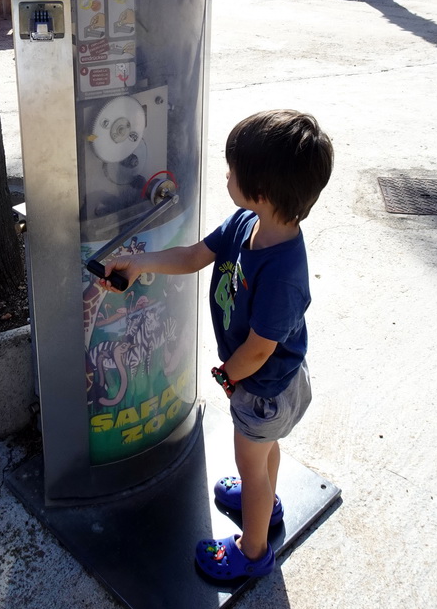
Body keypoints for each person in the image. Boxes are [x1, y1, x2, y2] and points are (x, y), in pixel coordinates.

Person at [102, 109, 334, 582]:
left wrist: (229, 375)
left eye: (233, 171)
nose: (226, 175)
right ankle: (264, 504)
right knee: (262, 453)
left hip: (264, 387)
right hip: (266, 384)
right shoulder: (246, 222)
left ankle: (252, 551)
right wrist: (138, 262)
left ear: (263, 192)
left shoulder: (283, 271)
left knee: (250, 464)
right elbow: (192, 257)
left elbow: (260, 348)